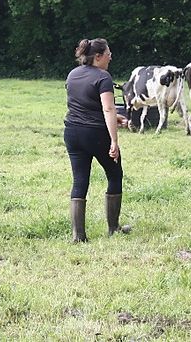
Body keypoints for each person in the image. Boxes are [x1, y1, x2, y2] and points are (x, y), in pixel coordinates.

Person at [64, 38, 131, 243]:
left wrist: (113, 119)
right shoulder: (103, 77)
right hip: (96, 134)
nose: (111, 56)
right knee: (114, 174)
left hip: (73, 132)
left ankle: (79, 236)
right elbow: (108, 108)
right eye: (108, 53)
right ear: (98, 56)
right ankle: (113, 228)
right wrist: (114, 140)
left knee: (80, 180)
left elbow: (85, 105)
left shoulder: (72, 74)